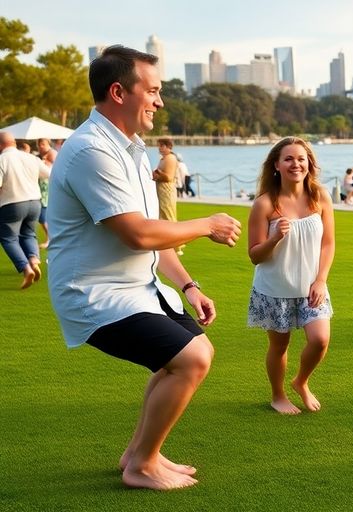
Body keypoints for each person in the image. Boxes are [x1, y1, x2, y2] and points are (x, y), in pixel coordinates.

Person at [46, 45, 242, 491]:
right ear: (119, 92)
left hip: (139, 286)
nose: (160, 101)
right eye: (152, 91)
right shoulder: (90, 152)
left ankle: (137, 452)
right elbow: (137, 234)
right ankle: (143, 465)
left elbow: (153, 233)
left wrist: (189, 285)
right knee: (188, 359)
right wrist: (206, 225)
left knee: (195, 353)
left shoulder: (130, 150)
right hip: (93, 293)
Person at [247, 137, 335, 415]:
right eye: (288, 159)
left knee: (320, 339)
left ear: (309, 163)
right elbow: (254, 255)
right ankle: (278, 395)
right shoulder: (264, 204)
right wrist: (274, 238)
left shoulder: (320, 196)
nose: (296, 164)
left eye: (301, 158)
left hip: (311, 286)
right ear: (276, 165)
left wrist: (321, 279)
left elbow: (328, 243)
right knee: (279, 345)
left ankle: (301, 382)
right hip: (275, 288)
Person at [0, 132, 48, 288]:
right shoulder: (31, 157)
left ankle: (26, 269)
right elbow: (48, 174)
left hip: (12, 203)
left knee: (8, 238)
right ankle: (34, 261)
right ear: (14, 143)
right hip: (35, 202)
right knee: (29, 234)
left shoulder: (2, 160)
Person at [154, 138, 183, 255]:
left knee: (169, 216)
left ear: (168, 147)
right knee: (162, 215)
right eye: (159, 146)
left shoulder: (170, 158)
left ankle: (177, 245)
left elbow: (169, 177)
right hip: (161, 190)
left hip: (167, 190)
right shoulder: (163, 159)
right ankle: (166, 242)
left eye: (162, 146)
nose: (159, 148)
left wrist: (158, 174)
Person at [37, 138, 57, 248]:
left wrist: (44, 161)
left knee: (42, 216)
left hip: (47, 190)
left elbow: (49, 170)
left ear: (48, 144)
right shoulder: (43, 155)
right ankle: (49, 238)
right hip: (44, 189)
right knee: (44, 216)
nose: (40, 146)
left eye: (43, 144)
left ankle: (50, 239)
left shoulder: (51, 153)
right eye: (39, 144)